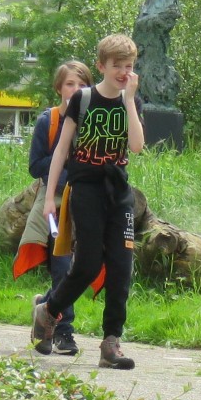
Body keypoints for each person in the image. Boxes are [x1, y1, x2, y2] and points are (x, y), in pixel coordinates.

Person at [30, 37, 145, 370]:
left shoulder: (130, 101)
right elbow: (60, 152)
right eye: (117, 66)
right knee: (88, 264)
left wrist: (130, 101)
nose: (124, 72)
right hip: (86, 189)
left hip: (118, 190)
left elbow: (136, 146)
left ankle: (111, 342)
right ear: (101, 66)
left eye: (129, 66)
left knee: (122, 267)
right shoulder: (82, 99)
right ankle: (49, 311)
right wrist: (51, 197)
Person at [23, 61, 91, 356]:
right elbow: (34, 166)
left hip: (86, 199)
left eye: (82, 85)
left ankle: (45, 306)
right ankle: (64, 332)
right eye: (70, 85)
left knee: (82, 267)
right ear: (59, 88)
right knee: (63, 266)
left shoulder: (94, 119)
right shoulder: (47, 121)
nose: (76, 90)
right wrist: (61, 155)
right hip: (55, 200)